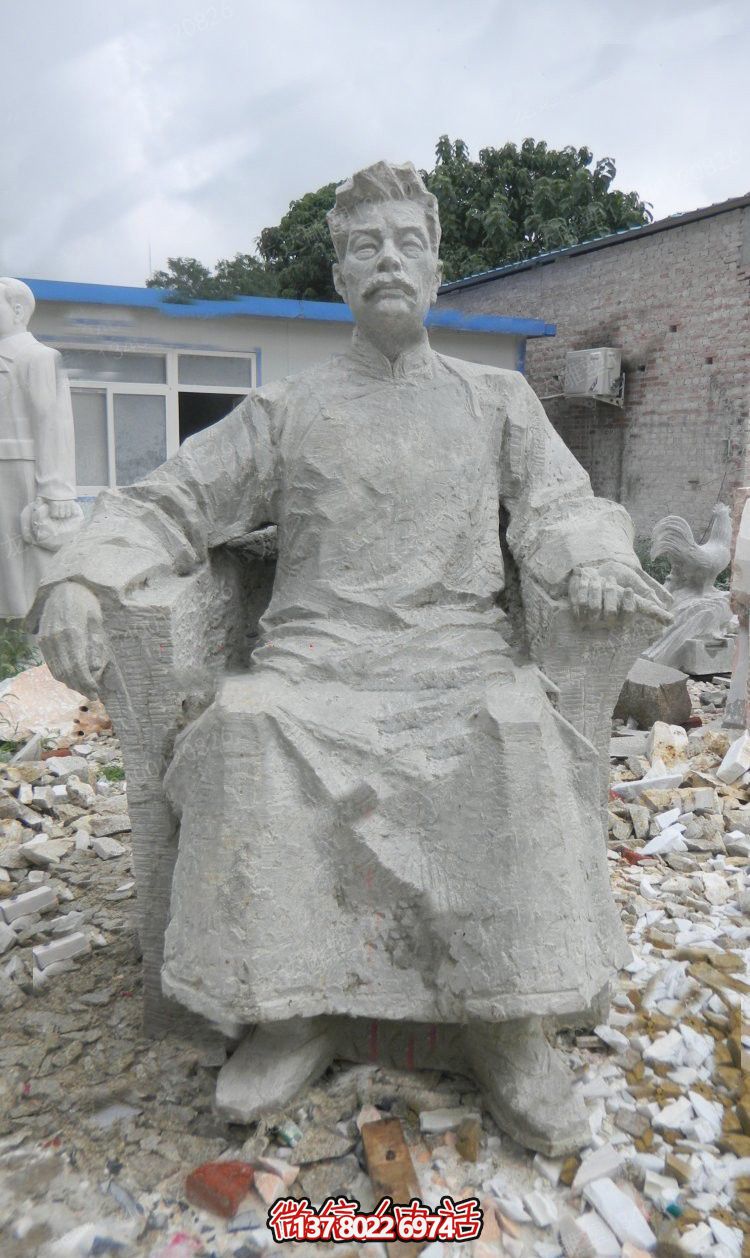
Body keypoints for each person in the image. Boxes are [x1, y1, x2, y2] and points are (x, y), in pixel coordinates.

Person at [36, 162, 670, 1155]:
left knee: (515, 732)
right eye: (365, 246)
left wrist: (592, 563)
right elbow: (170, 501)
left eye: (407, 244)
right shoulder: (287, 409)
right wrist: (80, 575)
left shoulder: (497, 400)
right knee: (245, 727)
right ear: (338, 277)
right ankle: (289, 1006)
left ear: (437, 268)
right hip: (315, 667)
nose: (387, 261)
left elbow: (561, 508)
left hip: (455, 658)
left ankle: (505, 1022)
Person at [0, 277, 82, 620]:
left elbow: (54, 424)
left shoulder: (39, 358)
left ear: (18, 311)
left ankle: (34, 638)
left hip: (23, 475)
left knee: (27, 561)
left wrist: (57, 490)